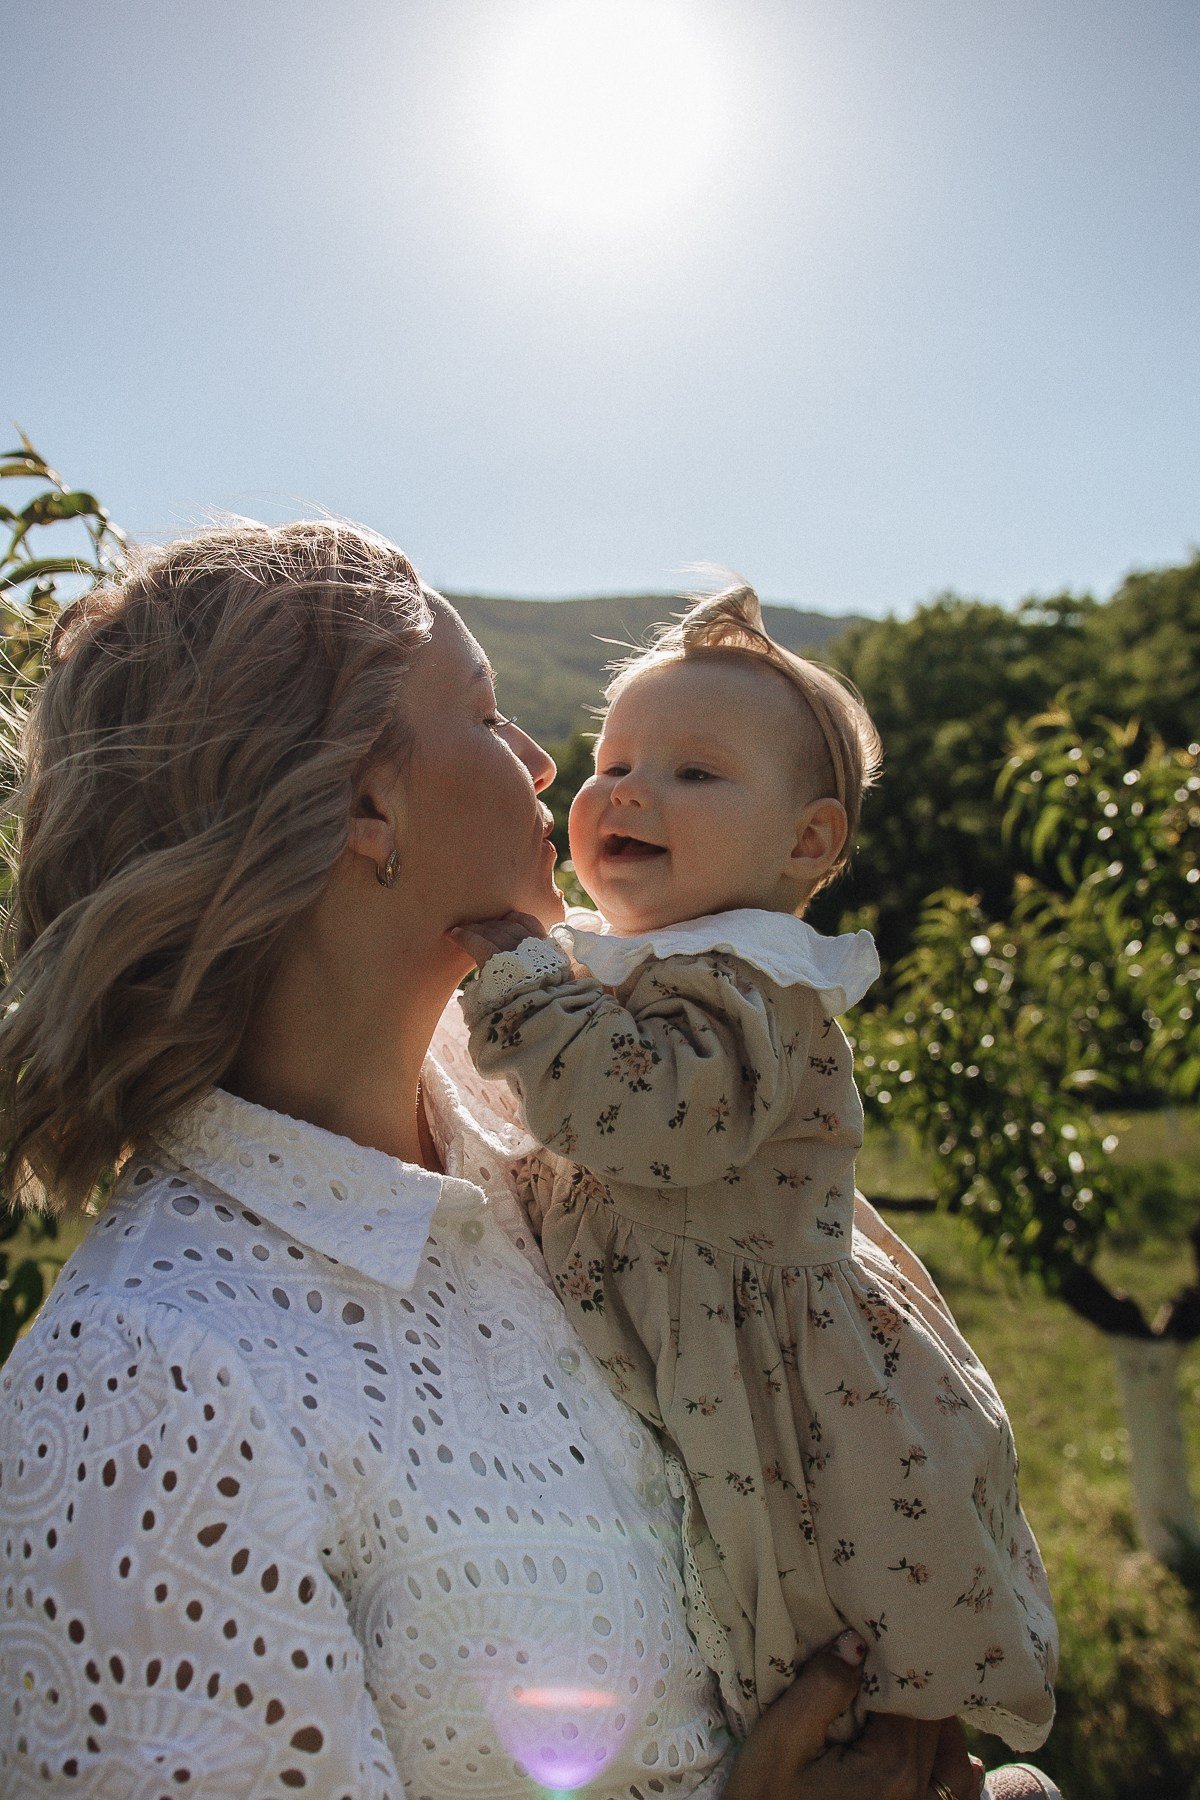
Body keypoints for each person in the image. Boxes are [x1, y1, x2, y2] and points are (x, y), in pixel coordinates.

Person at [0, 521, 1053, 1800]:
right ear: (364, 805)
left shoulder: (537, 1139)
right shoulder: (151, 1391)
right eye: (492, 715)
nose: (551, 764)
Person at [452, 586, 1057, 1753]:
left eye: (694, 774)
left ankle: (837, 1745)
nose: (627, 789)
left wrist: (526, 991)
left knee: (797, 1581)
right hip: (681, 1320)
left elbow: (659, 1119)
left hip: (759, 1358)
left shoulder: (752, 982)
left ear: (808, 843)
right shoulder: (646, 957)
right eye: (615, 758)